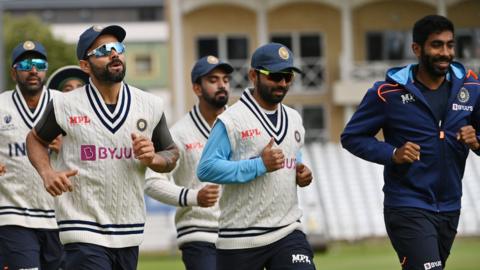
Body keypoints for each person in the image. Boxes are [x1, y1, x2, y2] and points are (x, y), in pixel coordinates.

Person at [26, 25, 179, 269]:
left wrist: (154, 159)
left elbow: (171, 153)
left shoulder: (150, 105)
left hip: (129, 230)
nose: (114, 54)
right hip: (81, 228)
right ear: (85, 65)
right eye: (103, 51)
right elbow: (35, 139)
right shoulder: (65, 105)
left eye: (118, 48)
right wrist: (47, 172)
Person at [341, 15, 480, 270]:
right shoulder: (388, 92)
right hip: (407, 204)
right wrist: (393, 153)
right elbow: (351, 137)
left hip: (450, 206)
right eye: (437, 45)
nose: (445, 53)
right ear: (417, 49)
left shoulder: (472, 87)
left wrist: (477, 142)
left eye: (450, 45)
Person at [196, 43, 315, 270]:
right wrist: (259, 165)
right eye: (275, 76)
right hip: (240, 239)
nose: (282, 83)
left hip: (287, 230)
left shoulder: (294, 118)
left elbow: (293, 156)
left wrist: (301, 172)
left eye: (288, 77)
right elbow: (206, 168)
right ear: (253, 75)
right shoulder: (231, 120)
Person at [145, 55, 233, 270]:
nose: (222, 85)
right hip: (199, 233)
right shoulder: (179, 133)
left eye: (225, 79)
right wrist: (194, 197)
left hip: (241, 231)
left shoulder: (241, 124)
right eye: (213, 80)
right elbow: (152, 182)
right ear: (197, 88)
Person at [0, 40, 63, 269]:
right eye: (25, 64)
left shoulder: (63, 103)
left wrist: (66, 144)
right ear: (13, 72)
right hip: (13, 215)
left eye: (39, 63)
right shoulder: (1, 105)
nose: (33, 70)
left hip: (60, 217)